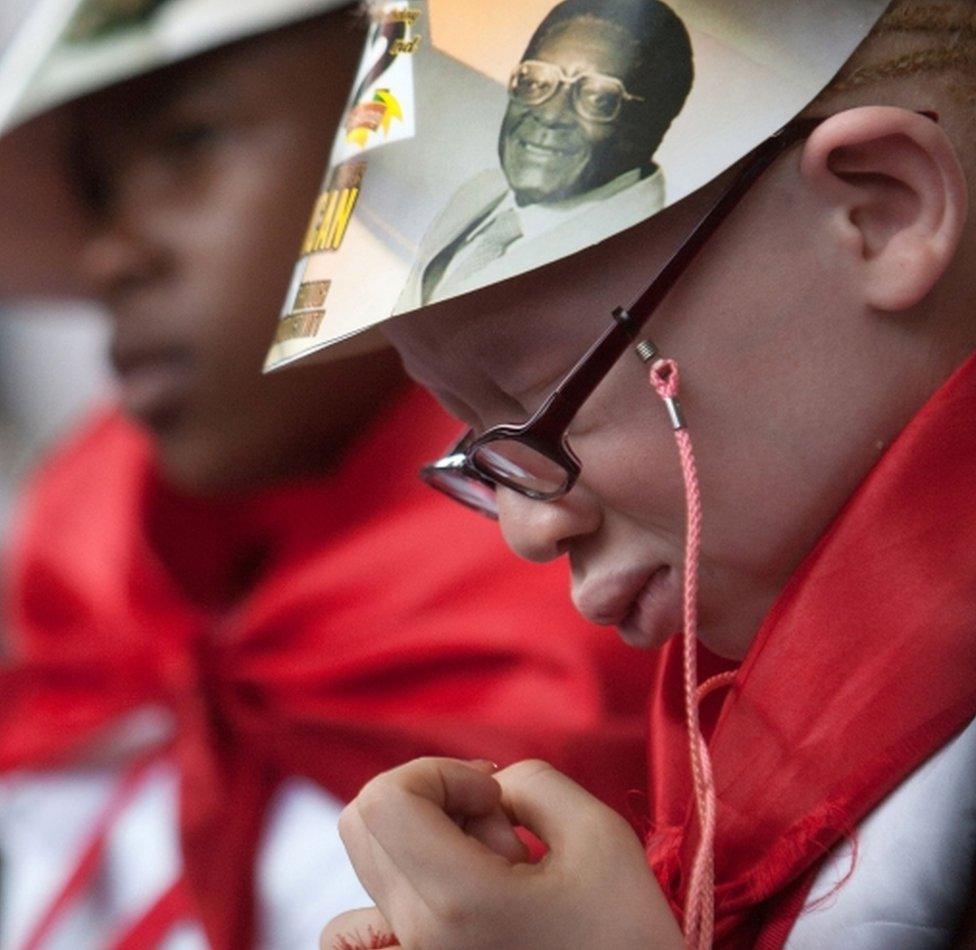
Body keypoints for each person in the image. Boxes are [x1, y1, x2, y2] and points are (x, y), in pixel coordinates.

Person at [302, 0, 976, 947]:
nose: (529, 529)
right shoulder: (726, 751)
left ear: (879, 212)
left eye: (543, 398)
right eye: (480, 447)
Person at [0, 3, 656, 947]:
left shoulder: (647, 592)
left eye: (191, 141)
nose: (109, 254)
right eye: (100, 193)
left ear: (432, 128)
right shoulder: (97, 615)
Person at [397, 0, 693, 308]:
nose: (551, 114)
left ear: (655, 121)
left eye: (598, 97)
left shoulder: (636, 264)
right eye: (535, 81)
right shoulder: (479, 191)